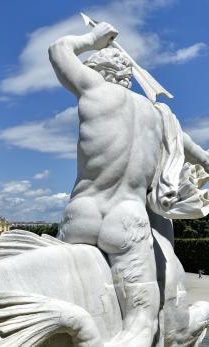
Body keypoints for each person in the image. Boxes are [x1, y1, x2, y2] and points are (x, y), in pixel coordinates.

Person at [49, 22, 209, 345]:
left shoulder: (93, 89)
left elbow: (57, 50)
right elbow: (191, 149)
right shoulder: (158, 116)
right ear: (125, 76)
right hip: (126, 221)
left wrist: (91, 40)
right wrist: (206, 160)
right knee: (141, 324)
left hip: (80, 214)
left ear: (99, 71)